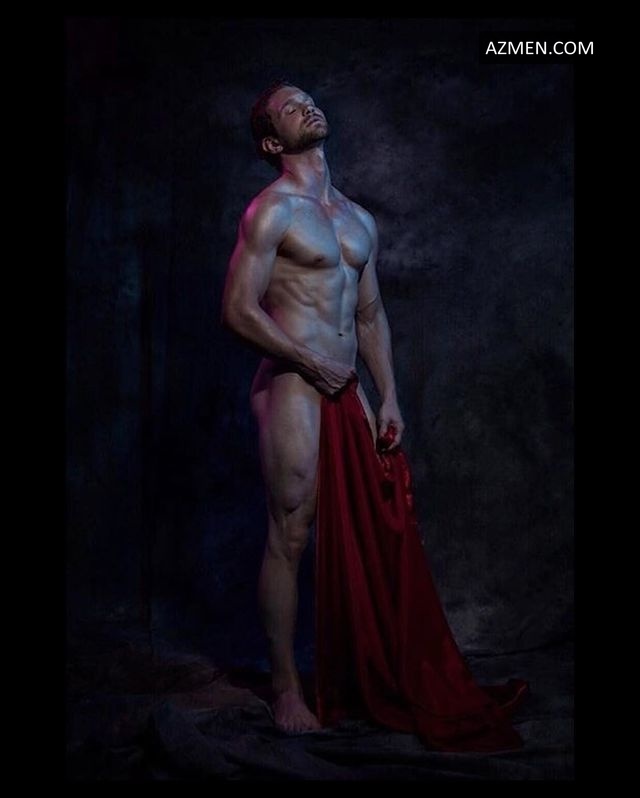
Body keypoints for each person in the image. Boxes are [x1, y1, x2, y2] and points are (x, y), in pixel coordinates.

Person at [221, 81, 405, 733]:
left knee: (362, 533)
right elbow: (237, 310)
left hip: (349, 389)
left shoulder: (357, 218)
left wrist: (389, 396)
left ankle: (358, 674)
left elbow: (370, 313)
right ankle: (286, 691)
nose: (307, 107)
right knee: (293, 530)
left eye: (308, 99)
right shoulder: (271, 211)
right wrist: (311, 360)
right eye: (290, 108)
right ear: (273, 142)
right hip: (295, 384)